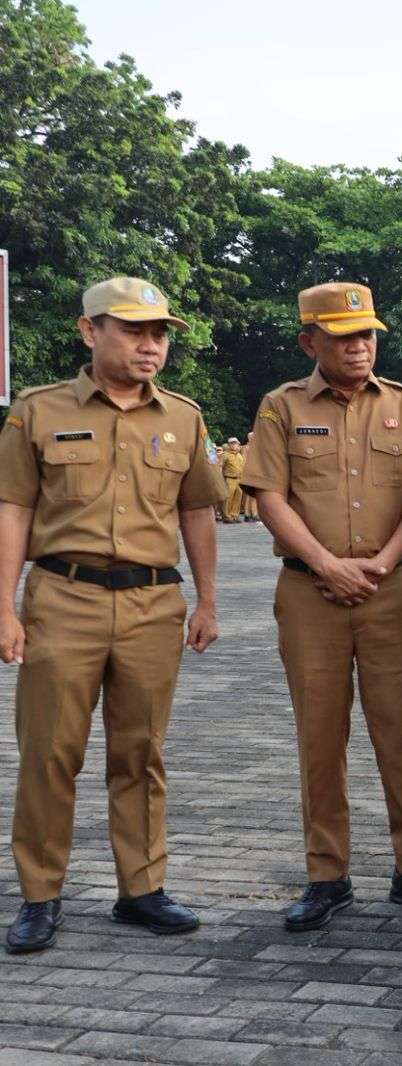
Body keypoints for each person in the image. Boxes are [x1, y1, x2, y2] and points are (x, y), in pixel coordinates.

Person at [0, 277, 226, 953]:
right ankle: (41, 894)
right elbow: (13, 509)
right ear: (88, 331)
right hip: (62, 599)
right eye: (133, 331)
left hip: (153, 604)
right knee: (49, 753)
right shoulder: (37, 413)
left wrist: (209, 598)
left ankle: (142, 888)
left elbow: (197, 511)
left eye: (159, 334)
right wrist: (3, 607)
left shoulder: (183, 418)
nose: (150, 346)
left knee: (141, 753)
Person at [242, 281, 402, 931]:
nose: (360, 347)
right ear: (310, 342)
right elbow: (267, 495)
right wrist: (328, 563)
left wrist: (384, 561)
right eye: (342, 337)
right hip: (309, 592)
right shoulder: (280, 407)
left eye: (366, 335)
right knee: (320, 734)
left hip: (389, 591)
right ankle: (326, 875)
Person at [219, 437, 246, 522]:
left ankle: (234, 515)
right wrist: (220, 479)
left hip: (239, 479)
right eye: (232, 443)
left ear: (238, 444)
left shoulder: (239, 455)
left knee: (238, 497)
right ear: (229, 445)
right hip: (229, 479)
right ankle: (227, 516)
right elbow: (220, 466)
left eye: (235, 443)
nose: (234, 445)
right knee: (228, 498)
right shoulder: (225, 455)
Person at [241, 432, 259, 521]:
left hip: (256, 473)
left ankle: (252, 513)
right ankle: (250, 514)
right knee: (250, 495)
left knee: (253, 496)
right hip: (250, 473)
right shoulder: (247, 448)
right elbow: (244, 461)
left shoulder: (257, 448)